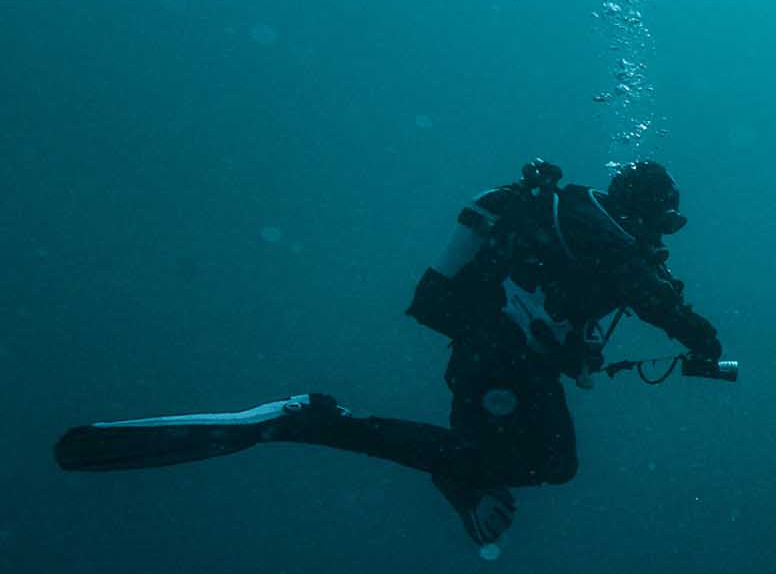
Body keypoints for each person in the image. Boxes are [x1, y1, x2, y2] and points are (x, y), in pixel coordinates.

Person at [55, 159, 729, 548]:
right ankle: (310, 419)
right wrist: (705, 341)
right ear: (647, 212)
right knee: (552, 462)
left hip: (481, 348)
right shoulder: (612, 243)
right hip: (501, 357)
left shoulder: (564, 217)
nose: (662, 238)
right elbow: (659, 303)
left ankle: (451, 475)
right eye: (663, 224)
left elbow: (562, 309)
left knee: (483, 454)